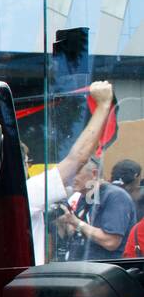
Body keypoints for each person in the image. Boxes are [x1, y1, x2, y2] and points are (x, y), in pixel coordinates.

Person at [25, 81, 114, 265]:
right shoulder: (27, 192)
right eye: (27, 161)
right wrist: (104, 105)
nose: (29, 164)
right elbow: (77, 159)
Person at [58, 158, 136, 261]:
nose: (71, 177)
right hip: (83, 269)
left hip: (106, 271)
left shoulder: (115, 196)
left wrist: (76, 222)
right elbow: (77, 234)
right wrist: (64, 219)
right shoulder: (86, 196)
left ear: (94, 174)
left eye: (76, 173)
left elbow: (111, 242)